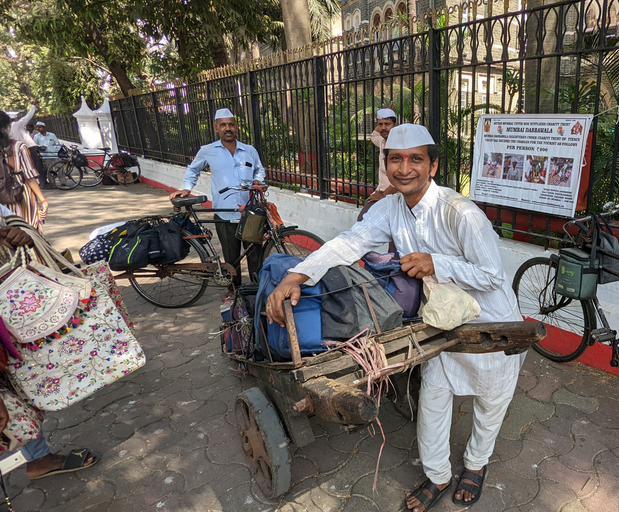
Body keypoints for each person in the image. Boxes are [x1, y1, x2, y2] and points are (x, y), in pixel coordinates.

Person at [266, 124, 525, 511]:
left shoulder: (460, 213)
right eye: (396, 159)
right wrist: (297, 275)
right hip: (437, 320)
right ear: (386, 164)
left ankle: (476, 464)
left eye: (416, 159)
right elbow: (349, 241)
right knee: (434, 396)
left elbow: (492, 275)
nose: (405, 168)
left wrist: (436, 262)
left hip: (489, 318)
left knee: (491, 399)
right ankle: (437, 474)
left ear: (432, 166)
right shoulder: (390, 207)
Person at [0, 214, 101, 480]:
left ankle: (39, 458)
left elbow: (9, 219)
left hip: (8, 305)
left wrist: (21, 234)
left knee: (14, 393)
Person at [169, 108, 265, 301]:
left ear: (236, 126)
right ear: (216, 128)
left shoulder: (249, 150)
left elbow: (259, 170)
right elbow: (193, 170)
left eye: (231, 124)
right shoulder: (208, 151)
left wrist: (257, 181)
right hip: (225, 212)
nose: (227, 128)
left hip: (250, 212)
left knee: (255, 254)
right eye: (223, 125)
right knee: (231, 256)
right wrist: (187, 188)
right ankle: (234, 291)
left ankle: (256, 290)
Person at [0, 110, 48, 233]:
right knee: (27, 234)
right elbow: (29, 177)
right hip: (19, 195)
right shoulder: (18, 147)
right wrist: (42, 200)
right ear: (7, 127)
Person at [357, 108, 398, 222]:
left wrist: (383, 195)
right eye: (380, 124)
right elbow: (374, 135)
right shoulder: (382, 141)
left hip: (396, 196)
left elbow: (399, 178)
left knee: (394, 231)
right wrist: (385, 113)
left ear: (395, 125)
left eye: (387, 124)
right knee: (362, 220)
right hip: (381, 192)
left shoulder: (399, 146)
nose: (383, 127)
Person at [8, 105, 46, 189]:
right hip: (28, 147)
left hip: (16, 149)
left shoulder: (7, 128)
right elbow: (27, 117)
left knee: (22, 167)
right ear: (15, 118)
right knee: (37, 166)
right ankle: (43, 183)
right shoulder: (17, 124)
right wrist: (33, 107)